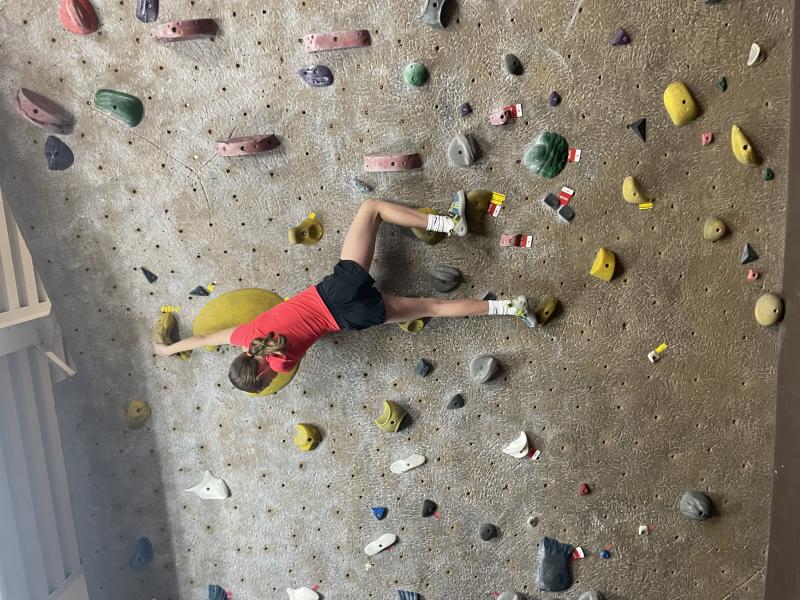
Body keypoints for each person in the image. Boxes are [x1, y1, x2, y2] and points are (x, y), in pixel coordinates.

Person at [154, 193, 536, 393]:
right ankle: (448, 223)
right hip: (337, 289)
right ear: (244, 357)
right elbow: (203, 339)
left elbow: (275, 355)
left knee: (433, 307)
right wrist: (167, 349)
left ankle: (511, 308)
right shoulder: (244, 336)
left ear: (264, 374)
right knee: (371, 208)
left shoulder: (283, 364)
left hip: (353, 318)